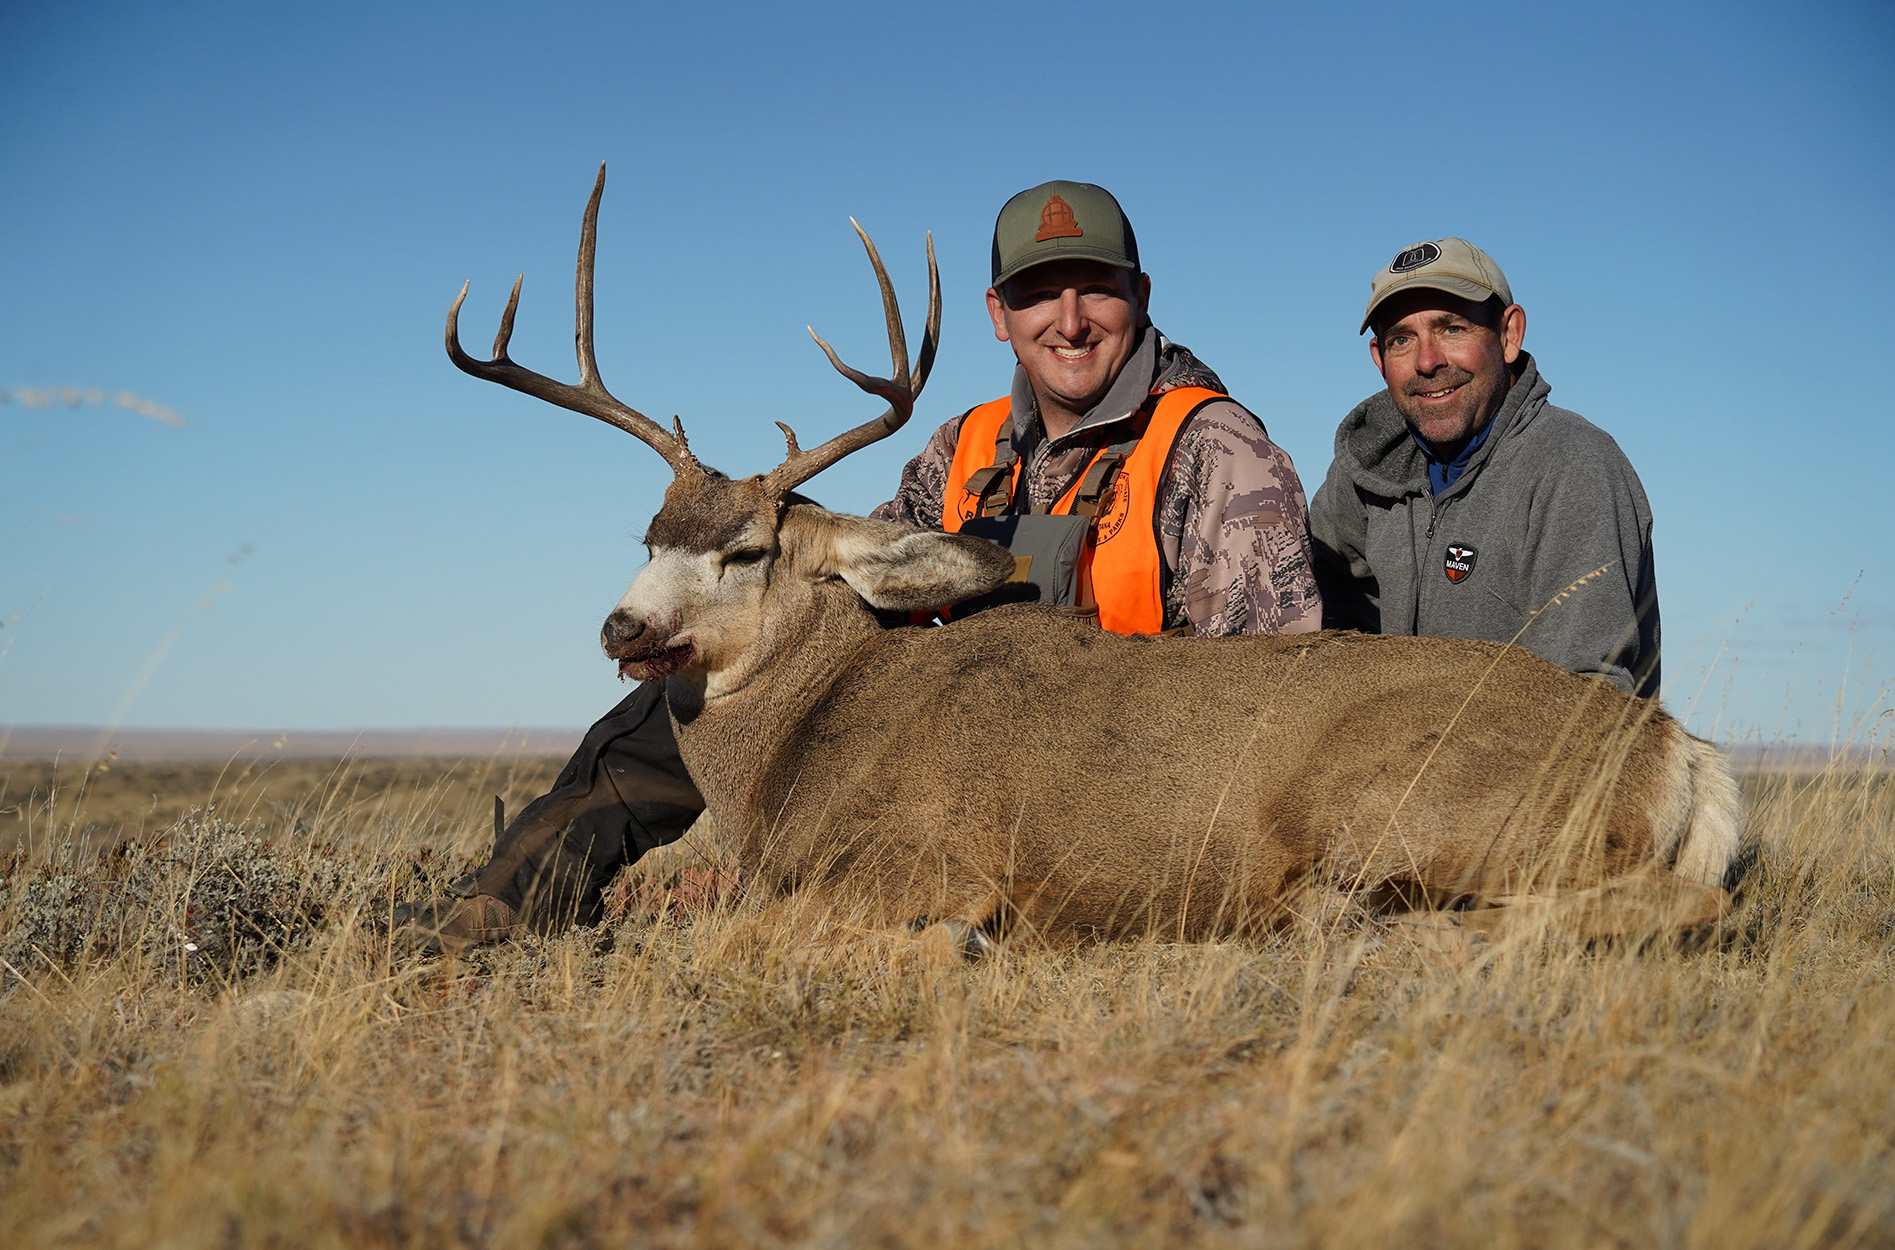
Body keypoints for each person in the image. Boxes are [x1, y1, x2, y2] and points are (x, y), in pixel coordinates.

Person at [394, 180, 1322, 954]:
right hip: (953, 763)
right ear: (999, 315)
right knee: (715, 678)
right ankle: (511, 896)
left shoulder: (1212, 447)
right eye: (1040, 294)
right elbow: (841, 592)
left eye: (1097, 290)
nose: (1070, 321)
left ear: (1141, 294)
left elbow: (1264, 693)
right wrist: (744, 545)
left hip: (1114, 768)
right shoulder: (962, 448)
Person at [1307, 237, 1661, 697]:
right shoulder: (1367, 470)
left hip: (1523, 764)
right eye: (1401, 339)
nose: (1428, 361)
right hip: (1397, 765)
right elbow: (1318, 618)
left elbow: (1586, 700)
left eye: (1452, 329)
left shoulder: (1575, 466)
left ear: (1509, 334)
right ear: (1379, 358)